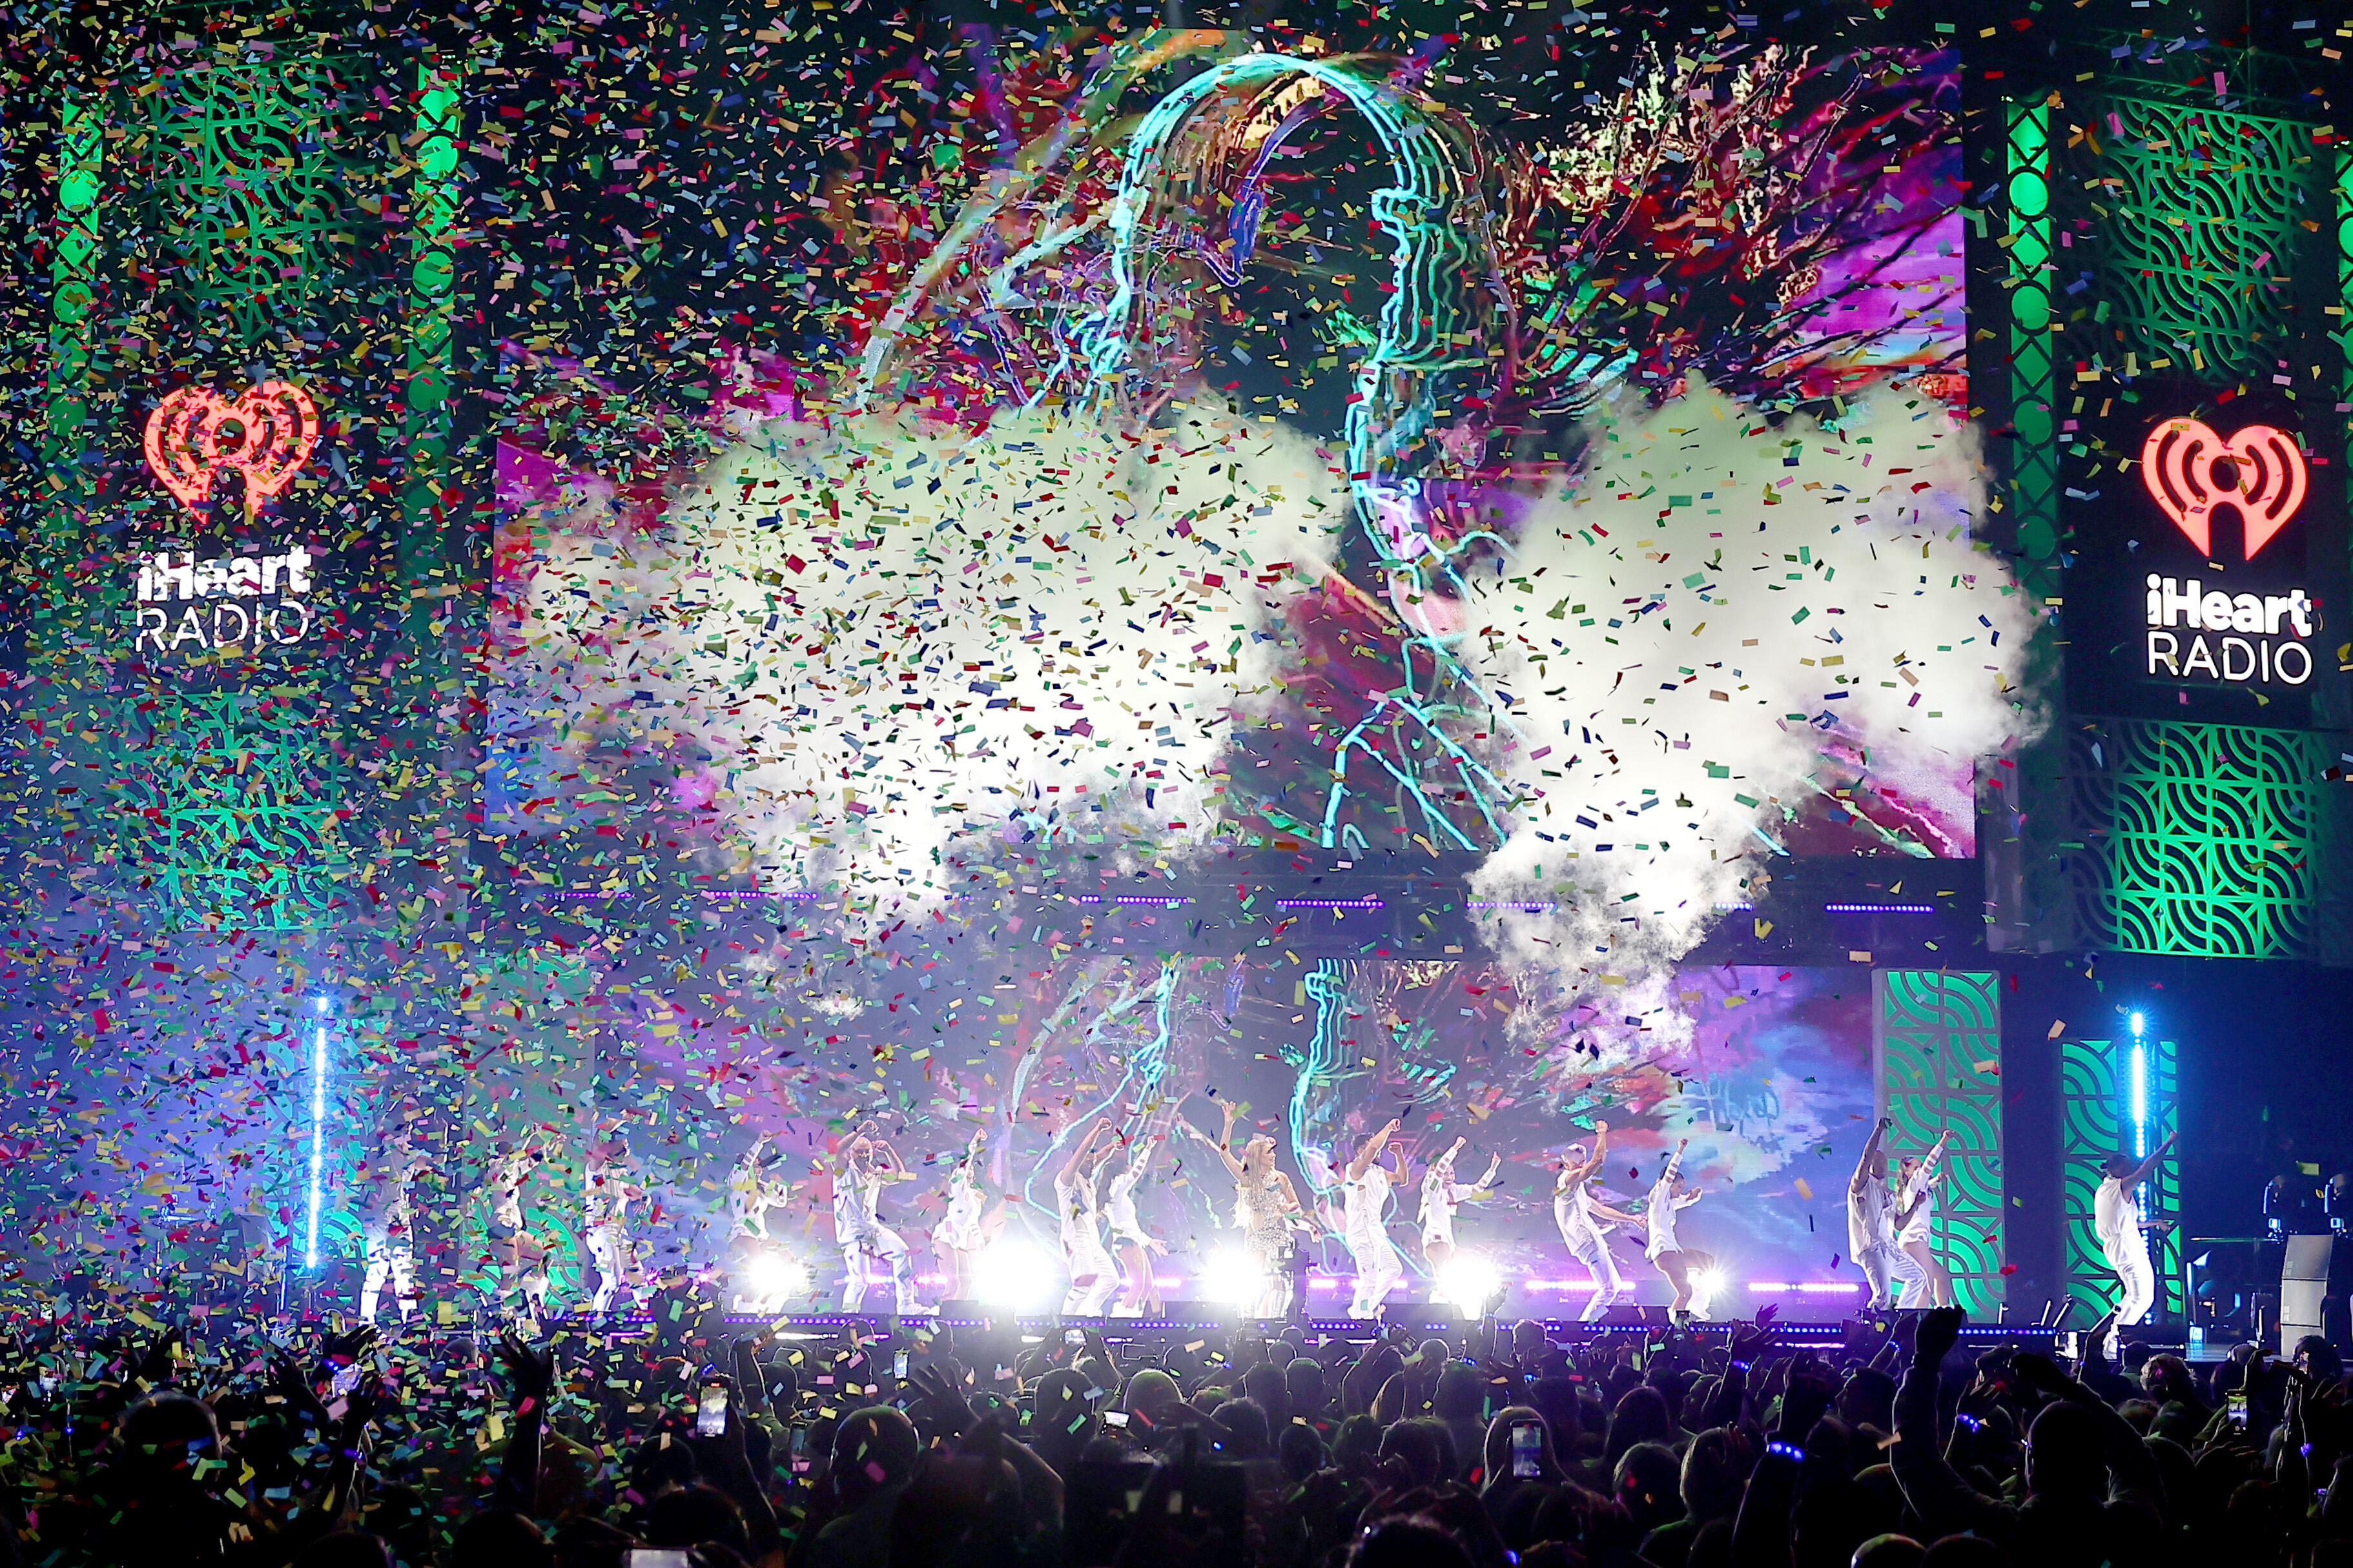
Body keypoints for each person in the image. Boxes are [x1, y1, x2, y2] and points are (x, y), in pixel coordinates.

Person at [1186, 1097, 1312, 1317]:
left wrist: (1287, 1210)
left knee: (1279, 1284)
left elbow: (1296, 1206)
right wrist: (1229, 1124)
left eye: (1273, 1152)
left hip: (1279, 1235)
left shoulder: (1280, 1178)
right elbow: (1224, 1152)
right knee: (1254, 1280)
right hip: (1256, 1235)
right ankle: (1247, 1321)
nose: (1274, 1155)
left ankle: (1275, 1321)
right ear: (1258, 1157)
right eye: (1269, 1153)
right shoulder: (1246, 1177)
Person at [1554, 1118, 1641, 1323]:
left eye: (1582, 1160)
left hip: (1589, 1238)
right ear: (1567, 1164)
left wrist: (1631, 1217)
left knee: (1614, 1286)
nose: (1581, 1163)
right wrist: (1602, 1133)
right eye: (1577, 1161)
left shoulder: (1577, 1189)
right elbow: (1598, 1162)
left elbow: (1600, 1209)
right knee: (1608, 1288)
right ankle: (1584, 1326)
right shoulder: (1566, 1180)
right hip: (1586, 1239)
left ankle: (1589, 1323)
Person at [835, 1119, 921, 1316]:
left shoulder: (877, 1173)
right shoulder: (843, 1171)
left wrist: (889, 1151)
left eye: (867, 1152)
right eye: (860, 1152)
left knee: (902, 1253)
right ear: (852, 1153)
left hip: (873, 1228)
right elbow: (838, 1149)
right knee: (860, 1281)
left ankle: (906, 1305)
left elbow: (901, 1176)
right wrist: (860, 1131)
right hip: (853, 1233)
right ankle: (848, 1318)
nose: (864, 1156)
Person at [2095, 1129, 2175, 1327]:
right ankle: (2115, 1337)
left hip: (2120, 1248)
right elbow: (2147, 1168)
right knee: (2141, 1299)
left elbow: (2125, 1223)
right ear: (2118, 1169)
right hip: (2126, 1249)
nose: (2132, 1168)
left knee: (2134, 1297)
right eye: (2128, 1165)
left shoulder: (2104, 1190)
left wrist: (2154, 1223)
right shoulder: (2119, 1187)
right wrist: (2169, 1142)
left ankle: (2112, 1333)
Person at [1849, 1115, 1927, 1310]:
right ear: (1870, 1166)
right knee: (1883, 1297)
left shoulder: (1888, 1194)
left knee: (1919, 1277)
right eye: (1879, 1163)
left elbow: (1899, 1224)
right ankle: (1872, 1325)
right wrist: (1879, 1130)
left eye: (1886, 1163)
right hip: (1872, 1248)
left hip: (1889, 1247)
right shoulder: (1862, 1185)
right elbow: (1866, 1156)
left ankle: (1902, 1315)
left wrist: (1916, 1205)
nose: (1884, 1167)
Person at [356, 1128, 427, 1325]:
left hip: (400, 1214)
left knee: (404, 1268)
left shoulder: (406, 1156)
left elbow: (427, 1162)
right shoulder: (384, 1152)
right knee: (377, 1269)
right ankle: (366, 1322)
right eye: (406, 1133)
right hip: (379, 1216)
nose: (409, 1139)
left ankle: (408, 1318)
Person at [1342, 1118, 1408, 1319]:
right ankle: (1360, 1316)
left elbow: (1402, 1179)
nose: (1377, 1149)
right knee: (1369, 1280)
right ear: (1360, 1150)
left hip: (1376, 1231)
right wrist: (1388, 1128)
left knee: (1393, 1269)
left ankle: (1366, 1308)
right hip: (1361, 1231)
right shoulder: (1355, 1169)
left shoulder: (1380, 1173)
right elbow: (1372, 1149)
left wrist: (1399, 1156)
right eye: (1371, 1145)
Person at [1054, 1119, 1121, 1315]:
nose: (1093, 1165)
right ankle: (1064, 1324)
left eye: (1094, 1162)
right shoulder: (1067, 1180)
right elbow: (1082, 1153)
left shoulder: (1087, 1178)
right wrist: (1098, 1129)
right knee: (1083, 1285)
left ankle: (1085, 1314)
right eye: (1089, 1162)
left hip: (1092, 1240)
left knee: (1111, 1279)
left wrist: (1111, 1147)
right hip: (1076, 1239)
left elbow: (1098, 1156)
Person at [1102, 1124, 1167, 1317]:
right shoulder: (1116, 1189)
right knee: (1138, 1286)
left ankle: (1153, 1323)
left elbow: (1132, 1226)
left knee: (1150, 1285)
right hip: (1126, 1243)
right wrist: (1147, 1149)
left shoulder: (1120, 1196)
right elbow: (1135, 1173)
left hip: (1132, 1241)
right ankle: (1119, 1321)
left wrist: (1150, 1241)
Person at [1644, 1137, 1711, 1323]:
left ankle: (1696, 1304)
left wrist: (1696, 1194)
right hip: (1665, 1253)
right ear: (1669, 1183)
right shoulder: (1659, 1196)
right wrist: (1680, 1150)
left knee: (1707, 1262)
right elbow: (1669, 1174)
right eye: (1679, 1186)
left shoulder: (1670, 1203)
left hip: (1673, 1252)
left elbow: (1686, 1200)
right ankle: (1676, 1325)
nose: (1681, 1190)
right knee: (1684, 1292)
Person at [931, 1126, 999, 1305]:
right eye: (968, 1169)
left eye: (972, 1170)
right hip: (946, 1234)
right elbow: (965, 1164)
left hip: (960, 1239)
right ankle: (939, 1314)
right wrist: (975, 1141)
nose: (970, 1172)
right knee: (952, 1284)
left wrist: (982, 1245)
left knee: (967, 1282)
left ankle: (957, 1314)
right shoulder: (957, 1185)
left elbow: (973, 1224)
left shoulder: (975, 1198)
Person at [1417, 1135, 1501, 1271]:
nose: (1450, 1177)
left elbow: (1478, 1188)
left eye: (1452, 1173)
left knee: (1468, 1265)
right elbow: (1440, 1170)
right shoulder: (1432, 1187)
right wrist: (1456, 1147)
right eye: (1446, 1174)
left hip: (1448, 1239)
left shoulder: (1453, 1191)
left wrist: (1493, 1169)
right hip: (1435, 1238)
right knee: (1443, 1269)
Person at [485, 1137, 548, 1318]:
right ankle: (501, 1315)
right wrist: (528, 1139)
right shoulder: (495, 1166)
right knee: (509, 1275)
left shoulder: (512, 1168)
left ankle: (530, 1296)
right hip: (501, 1227)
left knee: (543, 1255)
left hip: (515, 1228)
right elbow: (512, 1161)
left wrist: (547, 1144)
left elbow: (532, 1160)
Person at [584, 1137, 646, 1315]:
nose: (626, 1148)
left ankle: (648, 1315)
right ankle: (596, 1319)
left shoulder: (623, 1173)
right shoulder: (597, 1167)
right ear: (609, 1146)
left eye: (627, 1145)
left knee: (637, 1276)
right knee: (613, 1281)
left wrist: (645, 1200)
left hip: (619, 1232)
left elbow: (638, 1194)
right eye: (622, 1145)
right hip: (601, 1230)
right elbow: (598, 1143)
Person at [1895, 1130, 1953, 1308]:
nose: (1921, 1170)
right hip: (1915, 1241)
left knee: (1942, 1276)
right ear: (1907, 1173)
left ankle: (1943, 1314)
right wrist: (1943, 1141)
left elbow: (1927, 1184)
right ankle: (1918, 1321)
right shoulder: (1915, 1183)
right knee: (1925, 1288)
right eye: (1916, 1168)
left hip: (1916, 1241)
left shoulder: (1918, 1186)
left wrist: (1936, 1180)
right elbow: (1930, 1164)